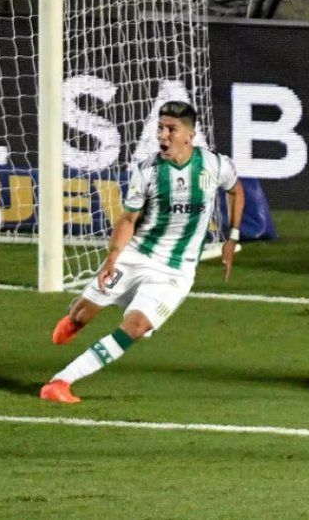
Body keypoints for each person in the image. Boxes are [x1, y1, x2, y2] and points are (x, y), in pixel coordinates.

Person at [40, 101, 244, 404]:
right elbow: (128, 219)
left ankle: (60, 382)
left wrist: (232, 237)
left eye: (171, 129)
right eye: (160, 128)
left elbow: (236, 191)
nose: (163, 135)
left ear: (189, 135)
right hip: (136, 256)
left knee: (136, 327)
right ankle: (75, 319)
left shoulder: (216, 165)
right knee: (82, 315)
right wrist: (112, 259)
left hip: (176, 270)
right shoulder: (146, 171)